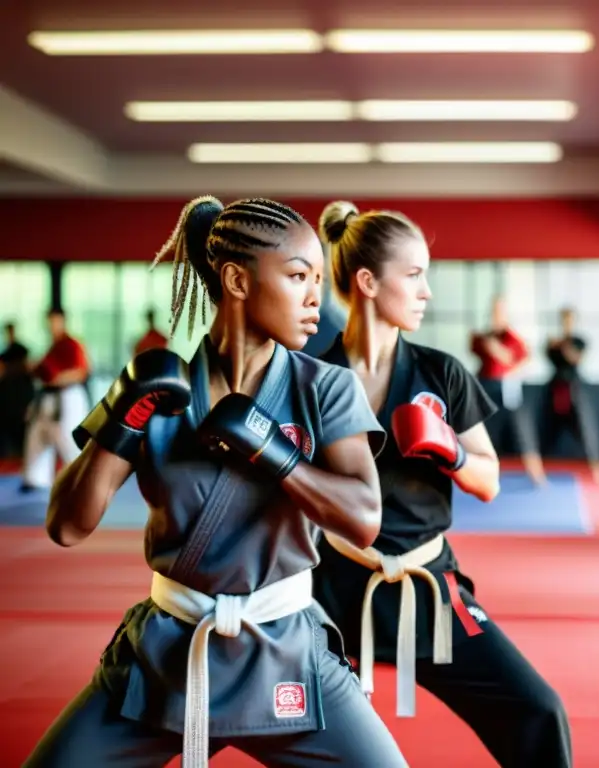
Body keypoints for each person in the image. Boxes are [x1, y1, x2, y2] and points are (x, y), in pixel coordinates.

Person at [26, 196, 408, 768]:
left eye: (317, 280)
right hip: (170, 653)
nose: (315, 299)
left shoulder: (324, 387)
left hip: (286, 649)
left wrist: (277, 455)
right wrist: (122, 417)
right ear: (236, 279)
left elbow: (364, 519)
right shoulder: (160, 392)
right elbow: (67, 526)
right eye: (298, 276)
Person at [314, 201, 572, 768]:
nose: (427, 290)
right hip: (328, 592)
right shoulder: (312, 378)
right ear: (367, 282)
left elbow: (489, 481)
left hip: (427, 584)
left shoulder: (441, 373)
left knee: (538, 711)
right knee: (274, 722)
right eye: (414, 275)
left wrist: (450, 450)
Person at [470, 294, 546, 485]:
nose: (497, 315)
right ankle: (479, 475)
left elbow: (522, 360)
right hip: (485, 388)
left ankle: (536, 475)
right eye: (494, 311)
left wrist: (500, 354)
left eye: (500, 311)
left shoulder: (512, 338)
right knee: (482, 434)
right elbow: (475, 352)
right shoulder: (485, 337)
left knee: (523, 433)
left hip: (507, 390)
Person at [20, 309, 91, 493]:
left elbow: (80, 372)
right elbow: (42, 373)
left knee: (68, 440)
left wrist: (56, 379)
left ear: (62, 321)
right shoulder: (53, 347)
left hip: (67, 397)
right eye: (49, 321)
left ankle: (81, 481)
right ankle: (35, 479)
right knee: (37, 435)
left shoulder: (72, 344)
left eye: (55, 321)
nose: (52, 325)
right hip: (48, 397)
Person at [543, 307, 599, 484]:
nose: (567, 323)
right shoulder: (554, 342)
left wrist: (564, 347)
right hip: (555, 388)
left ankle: (598, 468)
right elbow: (548, 358)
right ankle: (538, 471)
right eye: (564, 320)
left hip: (574, 389)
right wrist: (553, 346)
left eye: (569, 319)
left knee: (586, 428)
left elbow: (577, 359)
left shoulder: (579, 341)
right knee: (547, 429)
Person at [0, 322, 33, 459]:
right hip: (7, 399)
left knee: (21, 431)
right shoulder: (5, 354)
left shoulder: (21, 351)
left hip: (20, 398)